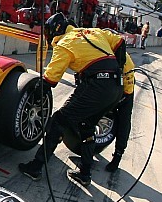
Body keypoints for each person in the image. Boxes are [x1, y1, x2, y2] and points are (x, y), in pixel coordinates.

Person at [18, 13, 126, 187]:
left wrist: (37, 94)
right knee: (87, 127)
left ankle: (36, 167)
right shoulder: (93, 31)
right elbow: (119, 41)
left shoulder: (65, 43)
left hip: (96, 86)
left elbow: (50, 79)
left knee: (58, 121)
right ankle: (85, 174)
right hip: (116, 87)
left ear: (55, 30)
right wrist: (118, 68)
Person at [104, 50, 135, 173]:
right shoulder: (96, 50)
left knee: (124, 120)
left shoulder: (125, 61)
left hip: (125, 88)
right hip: (105, 84)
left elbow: (127, 91)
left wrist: (118, 100)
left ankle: (118, 155)